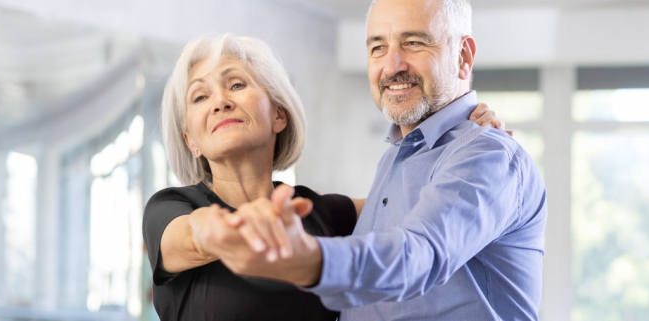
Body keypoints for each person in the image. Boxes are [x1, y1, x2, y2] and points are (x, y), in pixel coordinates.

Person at [192, 0, 548, 320]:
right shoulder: (397, 156)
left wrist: (308, 260)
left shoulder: (487, 155)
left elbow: (418, 255)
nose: (393, 65)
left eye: (413, 42)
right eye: (378, 47)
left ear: (463, 56)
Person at [141, 33, 505, 320]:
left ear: (278, 116)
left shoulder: (317, 212)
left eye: (236, 85)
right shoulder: (169, 209)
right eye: (200, 97)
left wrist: (464, 132)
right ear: (191, 142)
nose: (220, 101)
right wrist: (235, 229)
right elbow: (195, 234)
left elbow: (420, 200)